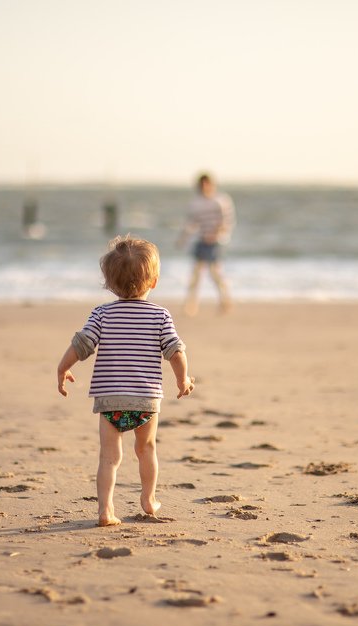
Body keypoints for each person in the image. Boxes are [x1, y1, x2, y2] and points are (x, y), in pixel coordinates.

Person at [56, 236, 195, 527]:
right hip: (145, 400)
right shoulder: (160, 315)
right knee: (146, 449)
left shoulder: (101, 314)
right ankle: (149, 499)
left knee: (109, 457)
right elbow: (175, 351)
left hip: (110, 400)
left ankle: (105, 510)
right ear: (154, 281)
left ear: (109, 283)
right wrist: (182, 380)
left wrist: (63, 367)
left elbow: (82, 345)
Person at [178, 173, 235, 315]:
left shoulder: (221, 200)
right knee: (196, 274)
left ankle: (225, 301)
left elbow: (227, 221)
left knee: (215, 273)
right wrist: (183, 238)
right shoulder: (195, 203)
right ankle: (191, 305)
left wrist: (216, 234)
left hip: (216, 241)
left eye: (206, 184)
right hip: (201, 240)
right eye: (202, 184)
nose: (204, 187)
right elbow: (191, 223)